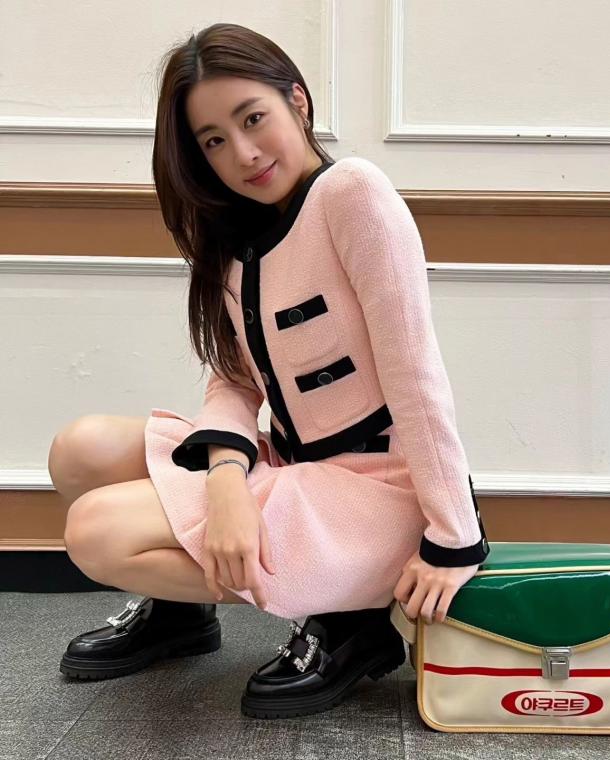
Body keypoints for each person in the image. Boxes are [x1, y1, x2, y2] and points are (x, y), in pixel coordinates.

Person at [48, 22, 490, 718]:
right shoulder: (238, 233)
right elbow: (233, 380)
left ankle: (353, 617)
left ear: (298, 102)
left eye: (253, 119)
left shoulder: (352, 194)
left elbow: (415, 375)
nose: (243, 154)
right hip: (292, 465)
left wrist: (454, 540)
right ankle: (178, 617)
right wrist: (226, 480)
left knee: (94, 532)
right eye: (214, 141)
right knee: (79, 451)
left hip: (380, 492)